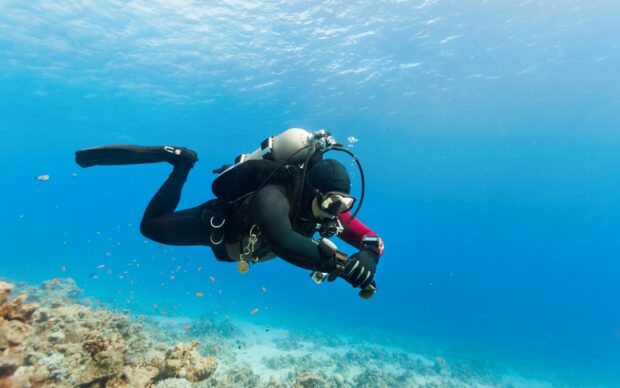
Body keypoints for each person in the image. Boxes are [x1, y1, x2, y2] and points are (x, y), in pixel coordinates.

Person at [75, 129, 384, 293]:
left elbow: (373, 241)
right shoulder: (273, 195)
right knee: (150, 227)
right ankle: (181, 164)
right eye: (332, 204)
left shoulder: (326, 206)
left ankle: (181, 164)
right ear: (314, 191)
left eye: (344, 205)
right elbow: (283, 241)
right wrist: (342, 267)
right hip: (219, 227)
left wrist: (367, 258)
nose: (335, 213)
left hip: (242, 245)